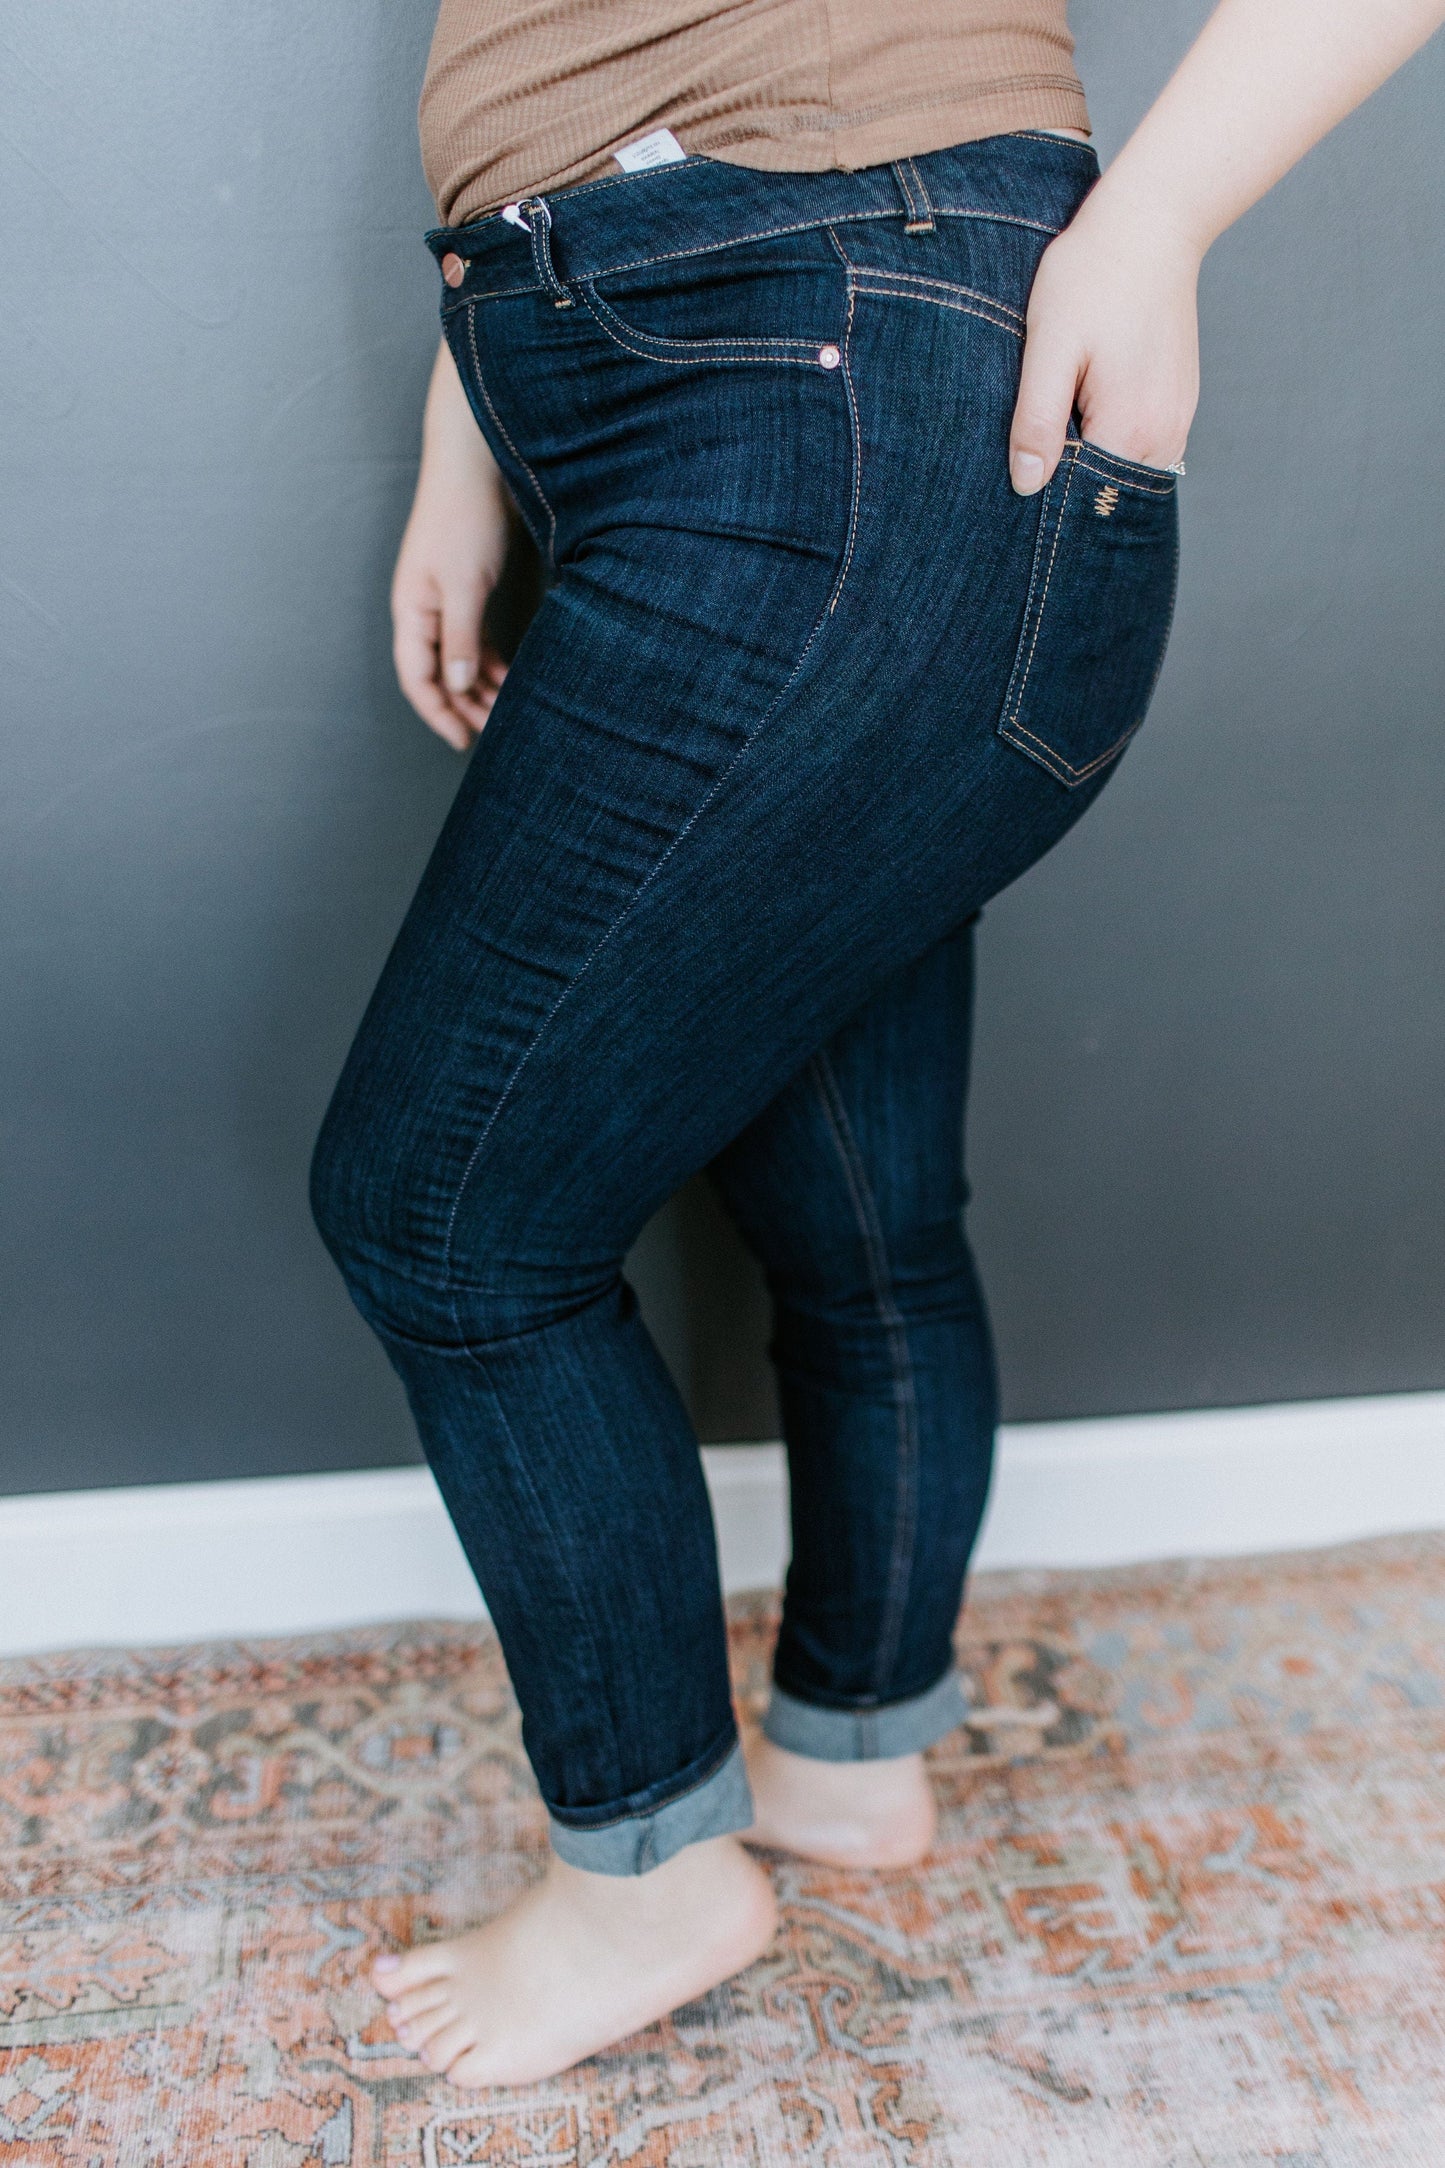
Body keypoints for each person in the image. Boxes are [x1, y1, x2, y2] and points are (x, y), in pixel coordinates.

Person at [310, 0, 1445, 2091]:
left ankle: (653, 1869)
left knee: (447, 1212)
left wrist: (1162, 214)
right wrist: (471, 443)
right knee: (854, 1194)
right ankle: (848, 1756)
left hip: (841, 371)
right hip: (689, 383)